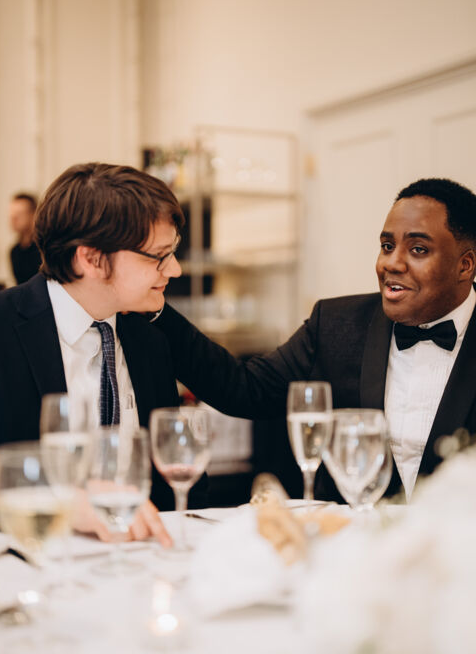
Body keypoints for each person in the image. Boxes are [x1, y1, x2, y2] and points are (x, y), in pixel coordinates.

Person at [153, 177, 476, 502]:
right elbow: (245, 388)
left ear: (465, 265)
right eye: (387, 246)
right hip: (351, 531)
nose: (392, 263)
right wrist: (157, 311)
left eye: (418, 249)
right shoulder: (336, 324)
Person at [0, 162, 207, 543]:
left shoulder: (150, 337)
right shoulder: (2, 327)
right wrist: (62, 499)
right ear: (91, 259)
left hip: (140, 561)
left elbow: (175, 485)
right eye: (158, 256)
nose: (174, 269)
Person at [8, 192, 42, 284]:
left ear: (33, 215)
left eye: (19, 214)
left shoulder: (43, 250)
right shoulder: (15, 251)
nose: (13, 218)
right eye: (12, 214)